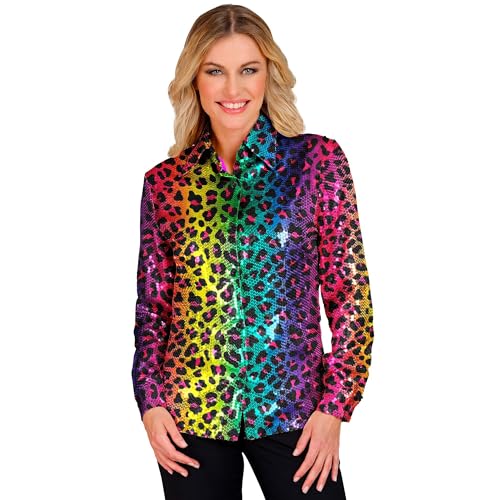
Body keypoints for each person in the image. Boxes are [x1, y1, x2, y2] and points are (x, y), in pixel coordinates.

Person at [131, 4, 374, 499]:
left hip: (295, 411)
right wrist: (150, 401)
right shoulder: (165, 184)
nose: (232, 89)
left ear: (269, 75)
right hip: (190, 416)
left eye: (248, 70)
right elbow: (153, 308)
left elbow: (351, 296)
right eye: (214, 71)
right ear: (194, 80)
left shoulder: (316, 162)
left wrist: (335, 407)